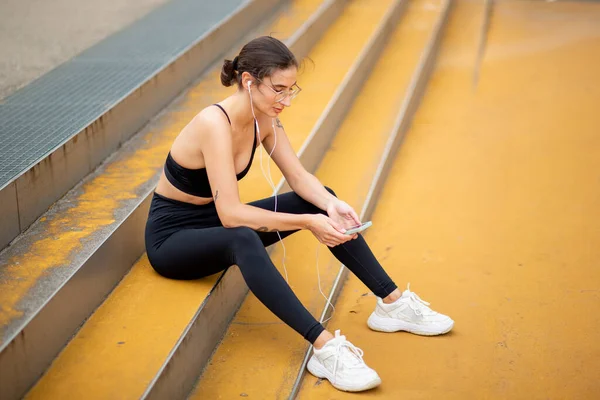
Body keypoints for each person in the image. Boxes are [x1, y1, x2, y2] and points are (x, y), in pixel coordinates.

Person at [145, 36, 454, 392]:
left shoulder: (264, 119)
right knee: (244, 237)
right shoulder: (213, 124)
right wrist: (309, 223)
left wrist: (327, 205)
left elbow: (298, 177)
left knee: (323, 199)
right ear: (248, 81)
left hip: (216, 222)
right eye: (278, 89)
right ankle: (324, 348)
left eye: (292, 89)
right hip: (174, 240)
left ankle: (392, 304)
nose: (286, 100)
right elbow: (230, 215)